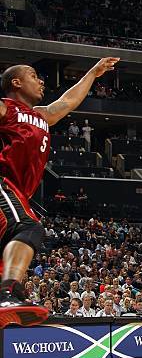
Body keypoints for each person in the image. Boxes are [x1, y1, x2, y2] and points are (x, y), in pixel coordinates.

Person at [0, 57, 119, 328]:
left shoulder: (41, 115)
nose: (41, 80)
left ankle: (7, 294)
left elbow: (67, 102)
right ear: (16, 82)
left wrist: (92, 73)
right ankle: (8, 293)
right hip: (3, 184)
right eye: (33, 75)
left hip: (18, 194)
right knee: (28, 228)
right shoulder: (7, 109)